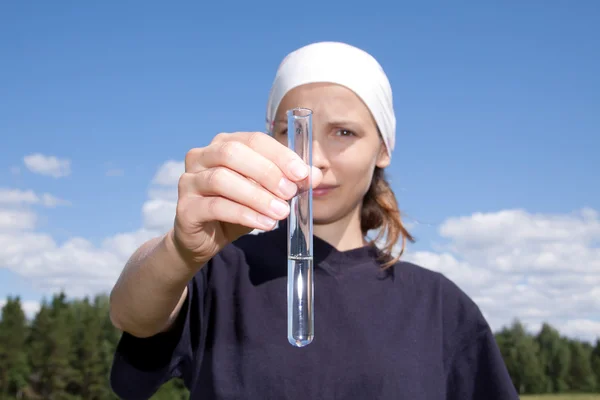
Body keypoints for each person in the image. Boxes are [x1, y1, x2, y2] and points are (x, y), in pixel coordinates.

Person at [108, 41, 519, 400]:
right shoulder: (221, 269)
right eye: (293, 132)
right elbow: (133, 315)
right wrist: (179, 251)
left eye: (343, 133)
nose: (313, 162)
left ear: (383, 148)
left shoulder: (440, 307)